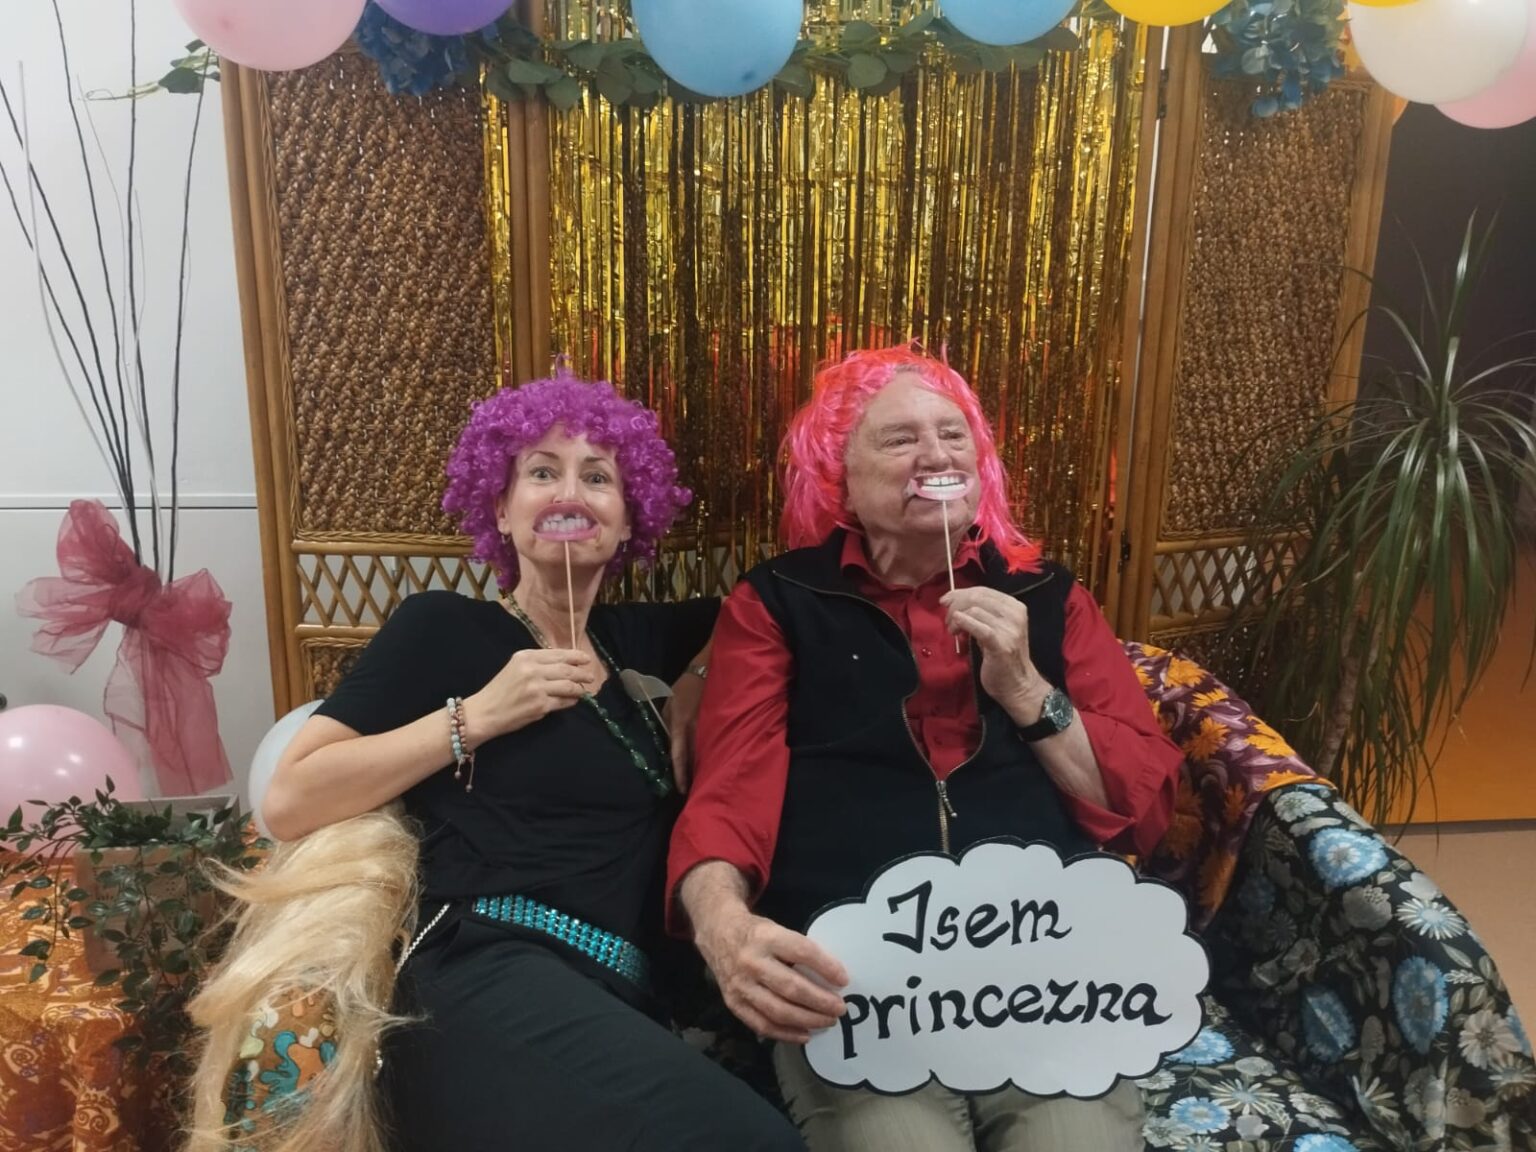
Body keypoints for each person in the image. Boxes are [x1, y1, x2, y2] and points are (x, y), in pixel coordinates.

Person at [186, 372, 804, 1152]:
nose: (569, 492)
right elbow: (291, 798)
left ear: (628, 521)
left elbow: (768, 599)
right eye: (542, 472)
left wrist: (697, 678)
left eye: (598, 477)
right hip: (484, 969)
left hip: (618, 995)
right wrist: (476, 717)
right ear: (502, 511)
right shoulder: (445, 628)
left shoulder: (636, 642)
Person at [667, 345, 1185, 1152]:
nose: (936, 455)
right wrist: (722, 927)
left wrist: (1025, 690)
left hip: (1040, 965)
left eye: (953, 434)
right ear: (840, 477)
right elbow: (730, 794)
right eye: (899, 438)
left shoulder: (1051, 597)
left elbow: (1139, 809)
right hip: (855, 976)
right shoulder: (778, 602)